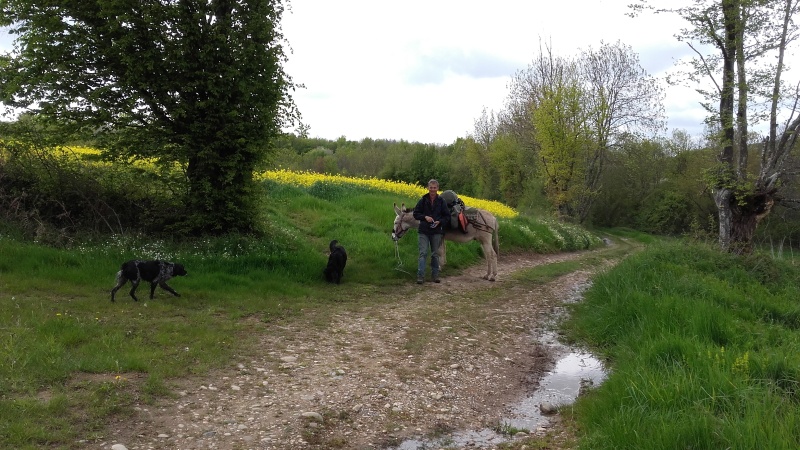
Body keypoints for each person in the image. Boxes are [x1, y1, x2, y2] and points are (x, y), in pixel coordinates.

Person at [412, 179, 450, 284]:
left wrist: (439, 222)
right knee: (423, 253)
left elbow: (447, 216)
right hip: (423, 231)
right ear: (427, 188)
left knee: (435, 254)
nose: (432, 190)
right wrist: (425, 217)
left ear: (437, 188)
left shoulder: (441, 201)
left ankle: (435, 275)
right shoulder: (423, 200)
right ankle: (420, 276)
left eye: (434, 188)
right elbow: (416, 214)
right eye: (431, 187)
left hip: (436, 231)